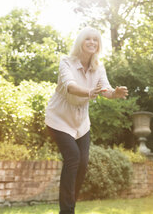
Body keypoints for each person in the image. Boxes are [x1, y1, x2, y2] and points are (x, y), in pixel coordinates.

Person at [45, 27, 128, 214]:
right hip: (58, 118)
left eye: (95, 40)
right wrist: (90, 92)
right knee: (73, 157)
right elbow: (71, 86)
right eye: (88, 39)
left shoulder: (99, 67)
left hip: (81, 122)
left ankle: (68, 208)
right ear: (80, 42)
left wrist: (115, 93)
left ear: (99, 45)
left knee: (82, 163)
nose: (92, 42)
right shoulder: (66, 62)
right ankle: (67, 211)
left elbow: (105, 89)